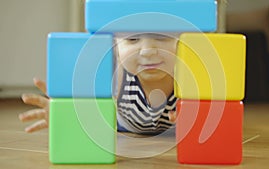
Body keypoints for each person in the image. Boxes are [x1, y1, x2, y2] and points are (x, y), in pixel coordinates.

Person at [19, 33, 178, 134]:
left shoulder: (190, 75)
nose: (147, 50)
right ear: (116, 46)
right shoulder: (113, 74)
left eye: (162, 36)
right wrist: (66, 114)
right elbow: (85, 111)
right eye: (132, 39)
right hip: (120, 125)